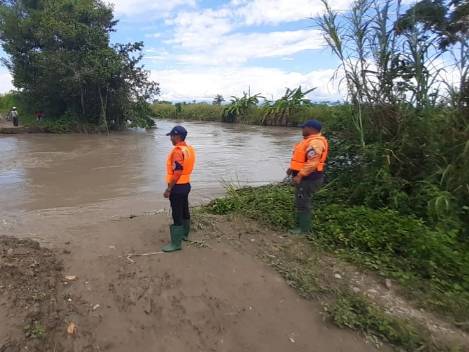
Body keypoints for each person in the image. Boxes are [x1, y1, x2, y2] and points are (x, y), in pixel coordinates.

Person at [286, 119, 329, 234]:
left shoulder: (315, 143)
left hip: (309, 179)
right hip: (306, 178)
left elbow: (312, 163)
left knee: (303, 202)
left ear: (311, 129)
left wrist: (299, 175)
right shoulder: (308, 141)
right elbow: (302, 159)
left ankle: (303, 230)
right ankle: (299, 226)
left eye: (304, 127)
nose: (302, 129)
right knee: (301, 201)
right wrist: (292, 169)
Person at [162, 125, 196, 253]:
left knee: (176, 213)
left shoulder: (177, 151)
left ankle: (176, 244)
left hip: (177, 187)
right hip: (186, 185)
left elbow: (177, 172)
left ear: (177, 136)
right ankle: (184, 235)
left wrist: (169, 189)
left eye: (171, 136)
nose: (170, 139)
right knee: (184, 208)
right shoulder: (189, 149)